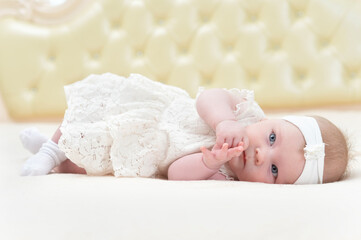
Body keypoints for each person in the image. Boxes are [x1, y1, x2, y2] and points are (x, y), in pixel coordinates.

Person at [20, 73, 349, 184]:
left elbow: (175, 173)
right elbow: (207, 97)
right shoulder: (244, 112)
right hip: (157, 115)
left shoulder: (225, 176)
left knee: (96, 157)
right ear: (268, 122)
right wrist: (223, 121)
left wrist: (210, 162)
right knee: (97, 114)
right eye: (273, 138)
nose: (262, 155)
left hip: (147, 150)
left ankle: (59, 161)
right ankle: (50, 148)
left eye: (275, 170)